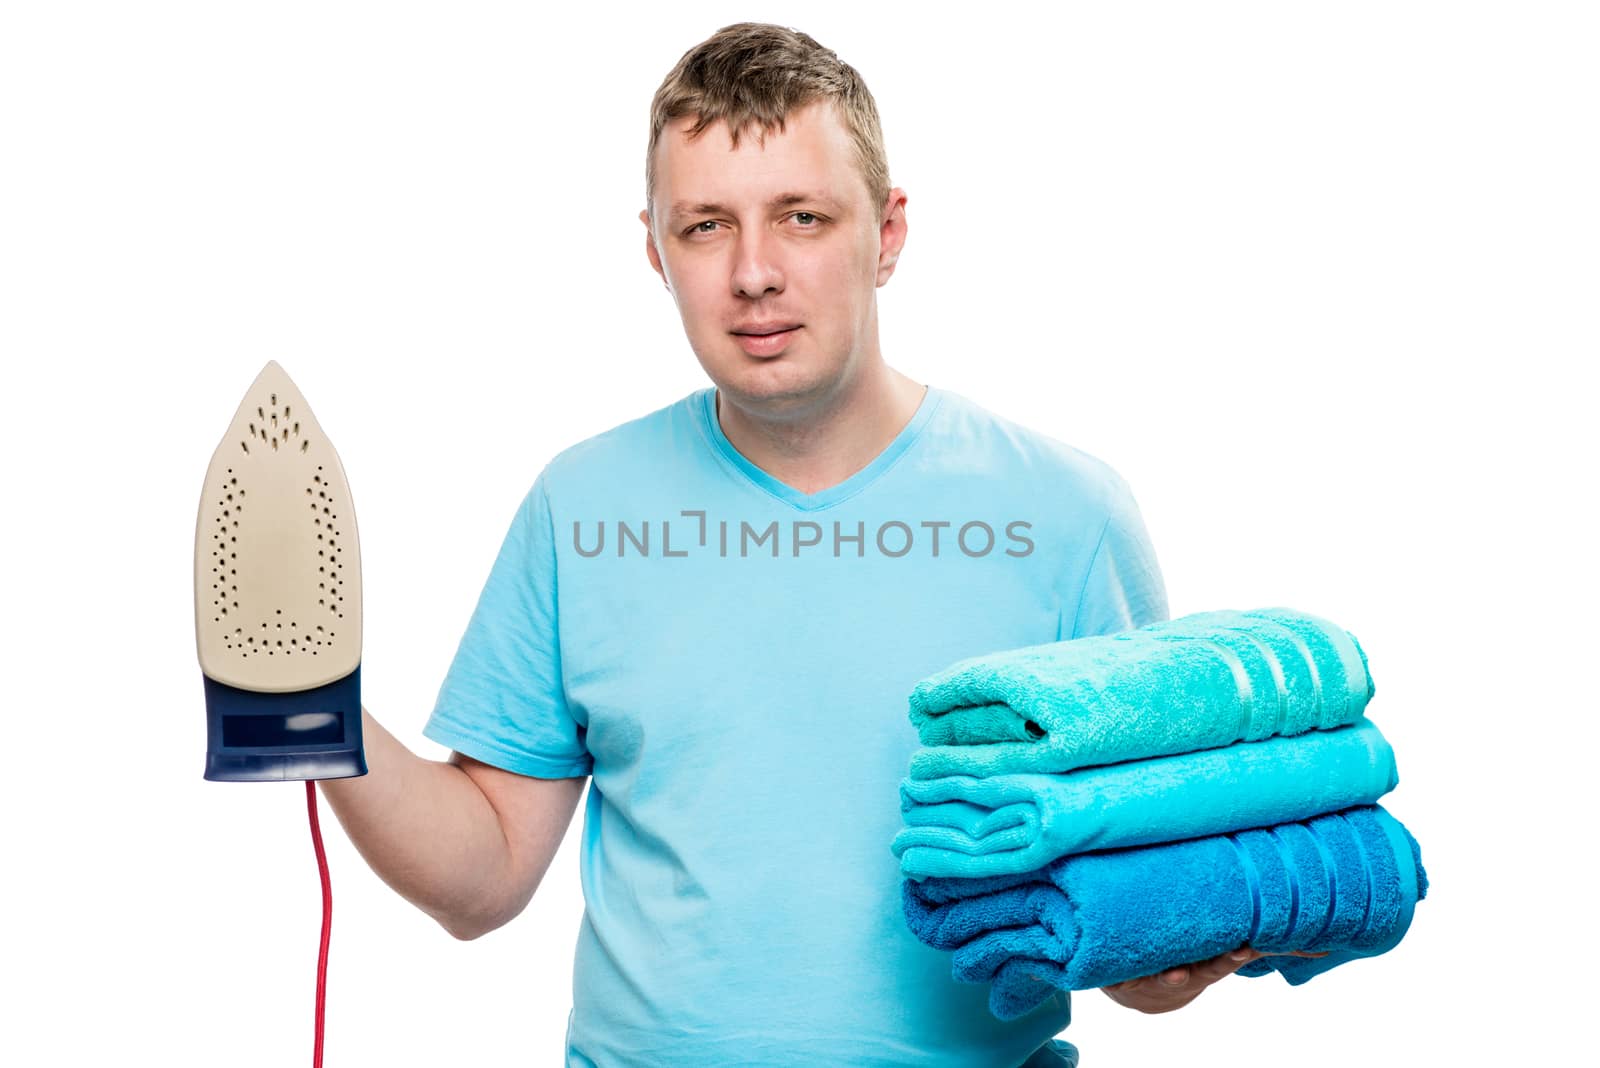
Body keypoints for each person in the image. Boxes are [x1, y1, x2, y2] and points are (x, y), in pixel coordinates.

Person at [319, 21, 1286, 1067]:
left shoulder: (1068, 516)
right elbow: (486, 876)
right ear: (655, 249)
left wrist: (1166, 952)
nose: (753, 272)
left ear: (888, 232)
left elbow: (1131, 918)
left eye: (802, 217)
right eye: (704, 227)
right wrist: (307, 699)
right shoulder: (580, 508)